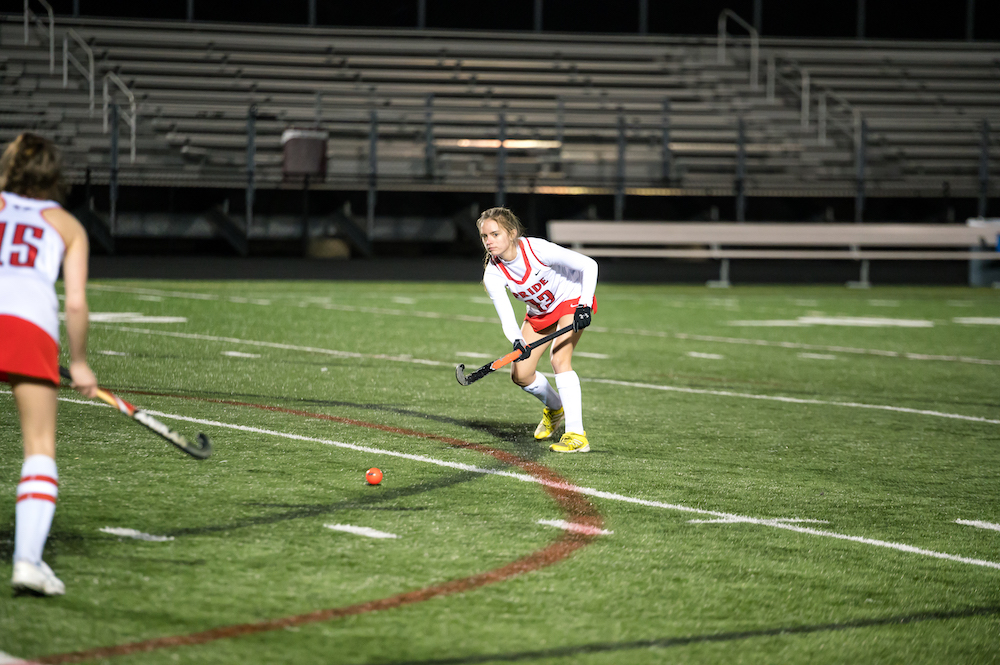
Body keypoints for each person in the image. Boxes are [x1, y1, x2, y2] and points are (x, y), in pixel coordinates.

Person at [1, 133, 97, 596]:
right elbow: (75, 303)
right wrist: (78, 362)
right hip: (29, 328)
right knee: (39, 444)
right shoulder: (68, 225)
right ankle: (28, 562)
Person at [478, 207, 598, 453]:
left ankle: (576, 436)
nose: (489, 241)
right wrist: (516, 341)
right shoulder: (493, 273)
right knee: (520, 374)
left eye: (495, 234)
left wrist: (584, 305)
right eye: (484, 236)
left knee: (559, 359)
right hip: (540, 312)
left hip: (571, 299)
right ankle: (556, 409)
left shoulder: (537, 250)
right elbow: (507, 317)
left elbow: (589, 265)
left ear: (512, 233)